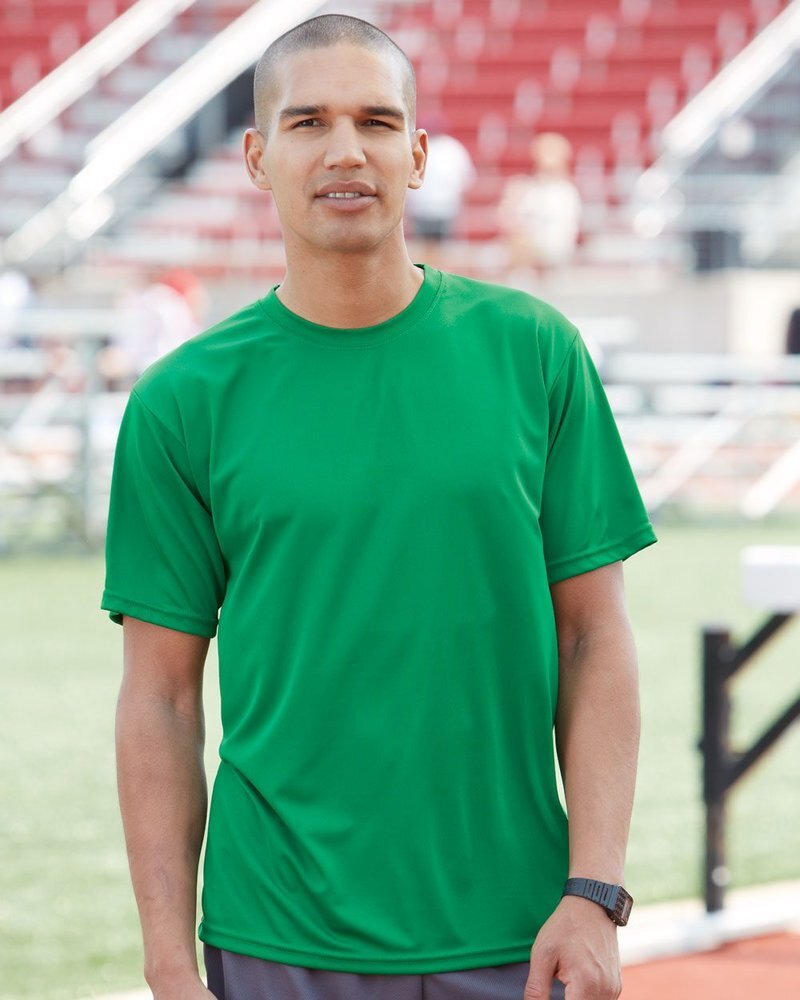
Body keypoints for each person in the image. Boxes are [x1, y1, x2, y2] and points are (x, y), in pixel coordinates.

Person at [101, 14, 657, 1000]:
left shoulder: (534, 352)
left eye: (376, 121)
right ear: (257, 157)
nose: (345, 149)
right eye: (309, 121)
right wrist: (166, 959)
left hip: (514, 930)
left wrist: (594, 890)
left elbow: (593, 639)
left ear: (418, 156)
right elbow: (161, 697)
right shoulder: (181, 401)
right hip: (274, 937)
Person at [498, 132, 582, 283]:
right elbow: (507, 217)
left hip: (554, 250)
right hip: (526, 250)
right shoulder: (522, 186)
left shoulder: (567, 191)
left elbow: (567, 231)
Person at [405, 112, 475, 269]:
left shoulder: (420, 147)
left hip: (430, 207)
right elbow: (466, 181)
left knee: (428, 250)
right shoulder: (453, 148)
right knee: (436, 250)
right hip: (439, 207)